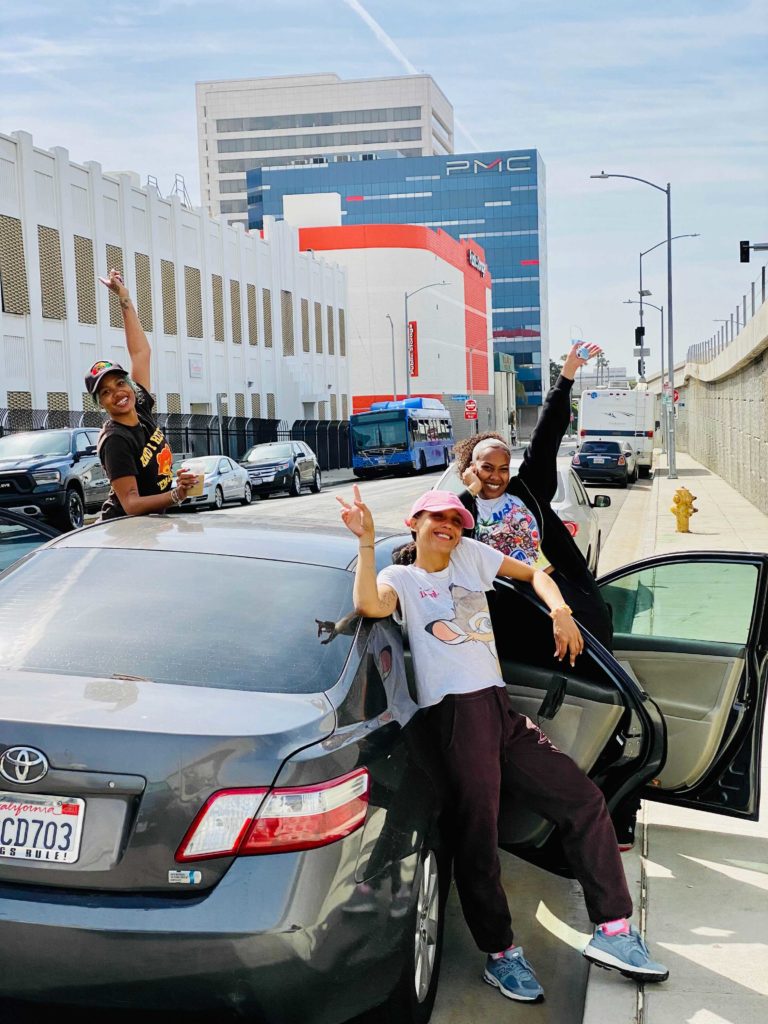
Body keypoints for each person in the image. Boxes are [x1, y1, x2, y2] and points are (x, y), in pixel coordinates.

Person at [337, 485, 668, 1003]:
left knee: (582, 801)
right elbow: (369, 605)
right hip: (454, 715)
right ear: (415, 522)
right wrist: (366, 540)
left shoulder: (469, 556)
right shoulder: (400, 577)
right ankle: (501, 954)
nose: (447, 524)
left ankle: (614, 933)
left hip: (498, 707)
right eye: (436, 517)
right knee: (478, 836)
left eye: (455, 518)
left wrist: (561, 611)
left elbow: (537, 572)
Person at [454, 342, 612, 650]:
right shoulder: (460, 509)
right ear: (471, 468)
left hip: (561, 591)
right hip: (512, 608)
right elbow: (432, 533)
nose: (496, 476)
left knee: (594, 653)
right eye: (486, 468)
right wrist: (470, 491)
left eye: (503, 468)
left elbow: (546, 433)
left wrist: (567, 373)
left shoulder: (526, 489)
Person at [85, 269, 197, 519]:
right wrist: (177, 494)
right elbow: (131, 504)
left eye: (120, 384)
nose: (117, 393)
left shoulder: (141, 407)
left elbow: (140, 353)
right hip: (124, 530)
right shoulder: (115, 440)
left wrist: (123, 297)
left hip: (151, 525)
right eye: (106, 392)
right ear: (100, 403)